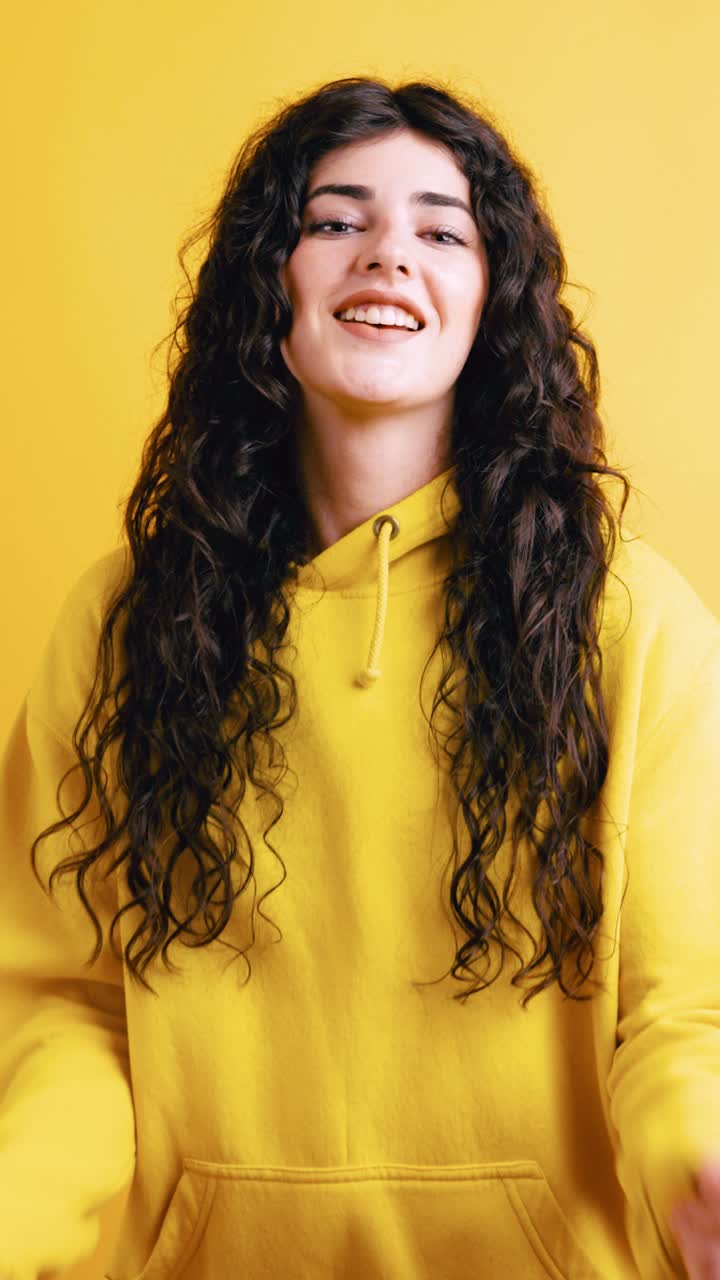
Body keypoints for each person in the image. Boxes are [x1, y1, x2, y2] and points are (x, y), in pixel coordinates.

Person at [0, 74, 718, 1280]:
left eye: (443, 232)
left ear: (493, 299)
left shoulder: (624, 618)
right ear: (267, 277)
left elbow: (683, 1008)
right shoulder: (126, 621)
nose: (388, 253)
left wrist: (699, 1164)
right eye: (335, 220)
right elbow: (69, 1007)